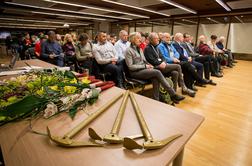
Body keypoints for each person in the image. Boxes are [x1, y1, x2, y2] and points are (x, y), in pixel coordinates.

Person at [125, 32, 185, 103]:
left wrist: (149, 65)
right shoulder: (128, 50)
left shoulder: (140, 49)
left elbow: (145, 61)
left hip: (143, 70)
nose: (140, 40)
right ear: (132, 39)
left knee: (155, 78)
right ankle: (173, 94)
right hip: (135, 72)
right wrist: (145, 66)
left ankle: (156, 99)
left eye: (140, 38)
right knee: (157, 72)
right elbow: (130, 67)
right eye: (138, 38)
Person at [145, 32, 195, 97]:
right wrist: (162, 63)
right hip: (156, 67)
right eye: (156, 38)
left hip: (163, 65)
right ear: (151, 40)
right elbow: (151, 60)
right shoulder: (148, 48)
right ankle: (183, 87)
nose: (158, 40)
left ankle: (173, 94)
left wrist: (164, 62)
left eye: (158, 38)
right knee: (178, 66)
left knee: (175, 73)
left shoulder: (156, 47)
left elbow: (162, 57)